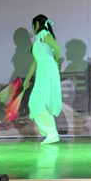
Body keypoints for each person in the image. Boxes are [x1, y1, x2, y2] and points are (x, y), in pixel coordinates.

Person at [23, 14, 62, 144]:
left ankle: (51, 132)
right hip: (43, 68)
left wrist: (54, 62)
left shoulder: (44, 34)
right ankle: (51, 132)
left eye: (33, 25)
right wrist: (27, 79)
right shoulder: (39, 41)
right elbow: (34, 63)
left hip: (46, 68)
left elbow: (57, 48)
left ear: (37, 25)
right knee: (36, 102)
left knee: (37, 100)